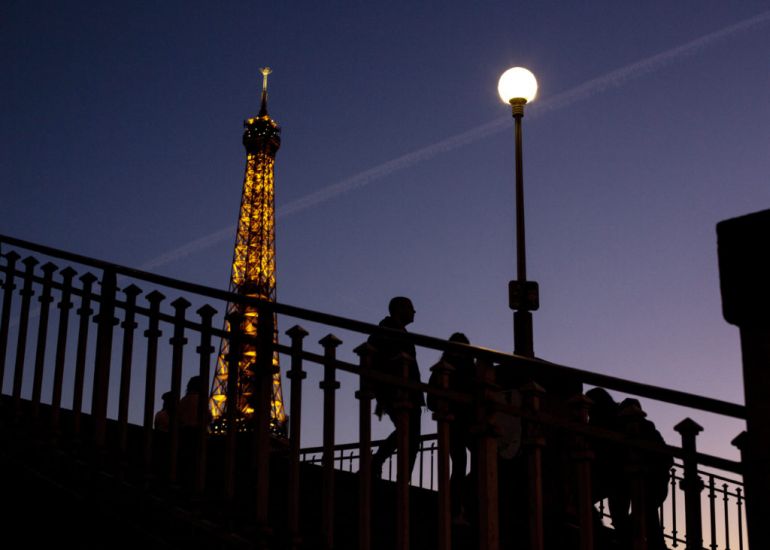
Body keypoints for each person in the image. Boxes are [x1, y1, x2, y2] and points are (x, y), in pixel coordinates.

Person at [368, 296, 424, 479]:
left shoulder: (390, 331)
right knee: (410, 434)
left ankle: (382, 464)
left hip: (404, 390)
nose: (414, 311)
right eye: (411, 307)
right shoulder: (388, 332)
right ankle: (398, 475)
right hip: (399, 390)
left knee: (409, 433)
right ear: (400, 309)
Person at [427, 332, 476, 524]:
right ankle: (458, 506)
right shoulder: (470, 368)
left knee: (460, 466)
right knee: (466, 465)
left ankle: (455, 507)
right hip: (463, 422)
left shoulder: (444, 369)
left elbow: (431, 399)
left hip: (456, 423)